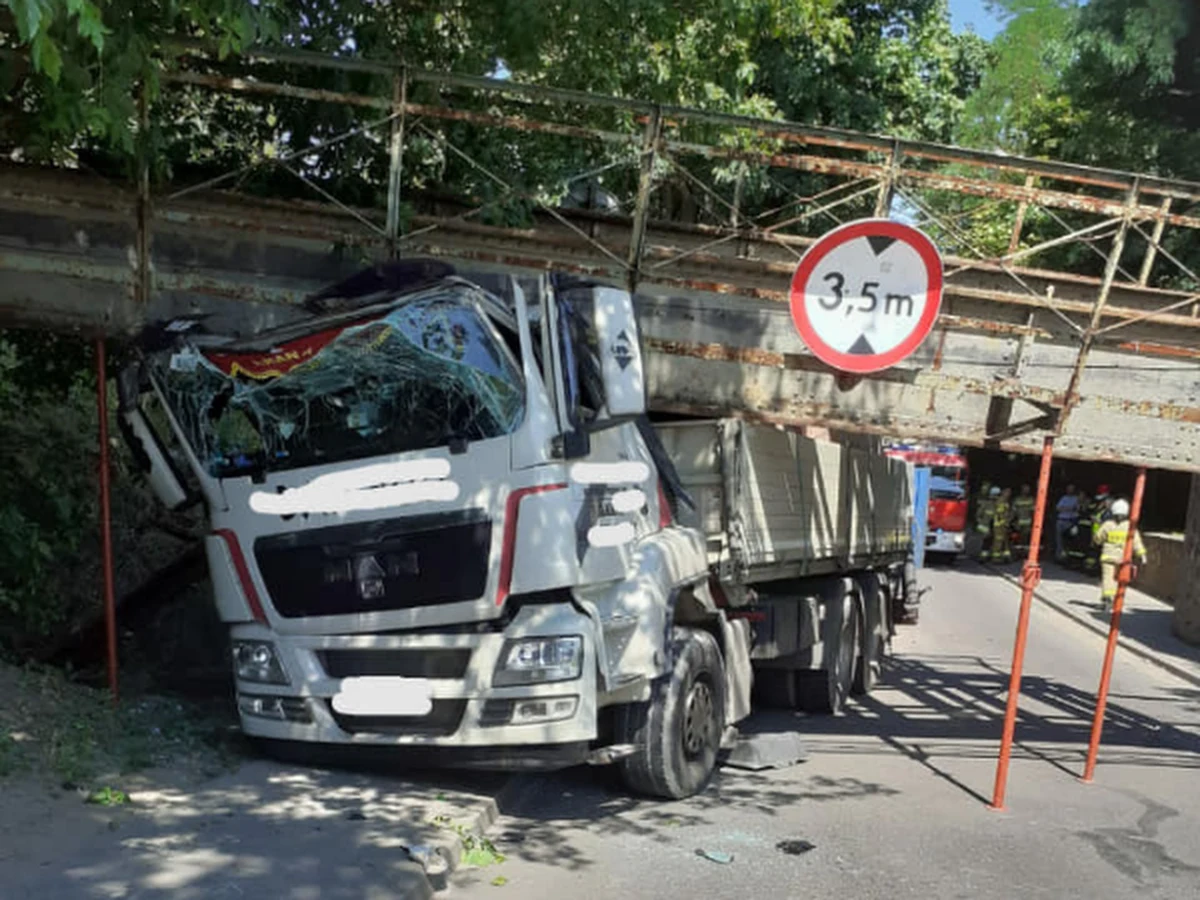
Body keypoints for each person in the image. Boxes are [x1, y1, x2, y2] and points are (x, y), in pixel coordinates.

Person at [1093, 498, 1147, 613]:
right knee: (1118, 579)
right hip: (1122, 558)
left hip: (1107, 557)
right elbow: (1136, 541)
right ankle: (1115, 600)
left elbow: (1098, 538)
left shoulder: (1107, 525)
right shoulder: (1129, 526)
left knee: (1108, 578)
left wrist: (1096, 532)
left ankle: (1107, 599)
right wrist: (1142, 554)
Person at [1085, 484, 1114, 570]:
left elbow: (1108, 523)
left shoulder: (1109, 512)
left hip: (1103, 535)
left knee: (1099, 552)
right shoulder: (1099, 509)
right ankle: (1092, 567)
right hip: (1095, 534)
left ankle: (1096, 568)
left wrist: (1099, 522)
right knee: (1093, 552)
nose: (1103, 503)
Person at [1055, 484, 1081, 560]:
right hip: (1061, 520)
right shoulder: (1063, 498)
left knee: (1069, 540)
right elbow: (1058, 508)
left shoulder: (1076, 498)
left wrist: (1065, 508)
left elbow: (1077, 509)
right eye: (1069, 489)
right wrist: (1070, 508)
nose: (1070, 490)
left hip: (1071, 522)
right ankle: (1059, 556)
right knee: (1059, 540)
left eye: (1071, 489)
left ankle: (1068, 557)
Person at [990, 486, 1014, 563]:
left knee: (1005, 541)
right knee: (998, 541)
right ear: (1003, 493)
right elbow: (1000, 514)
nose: (1009, 494)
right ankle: (996, 558)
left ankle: (1005, 557)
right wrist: (1005, 522)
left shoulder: (1005, 501)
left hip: (1003, 524)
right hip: (999, 525)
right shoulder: (1001, 501)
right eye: (1007, 492)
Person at [977, 485, 998, 560]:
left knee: (993, 542)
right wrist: (981, 525)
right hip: (985, 526)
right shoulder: (986, 504)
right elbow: (978, 515)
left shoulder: (999, 505)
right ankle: (983, 556)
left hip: (995, 527)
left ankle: (990, 555)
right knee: (986, 541)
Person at [1013, 484, 1035, 551]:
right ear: (1021, 490)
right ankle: (1017, 552)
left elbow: (1033, 512)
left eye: (1027, 489)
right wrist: (1014, 521)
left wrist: (1033, 522)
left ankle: (1025, 552)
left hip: (1028, 522)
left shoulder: (1031, 499)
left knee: (1026, 538)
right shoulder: (1017, 499)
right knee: (1017, 538)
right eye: (1025, 489)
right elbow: (1014, 511)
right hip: (1018, 522)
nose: (1026, 491)